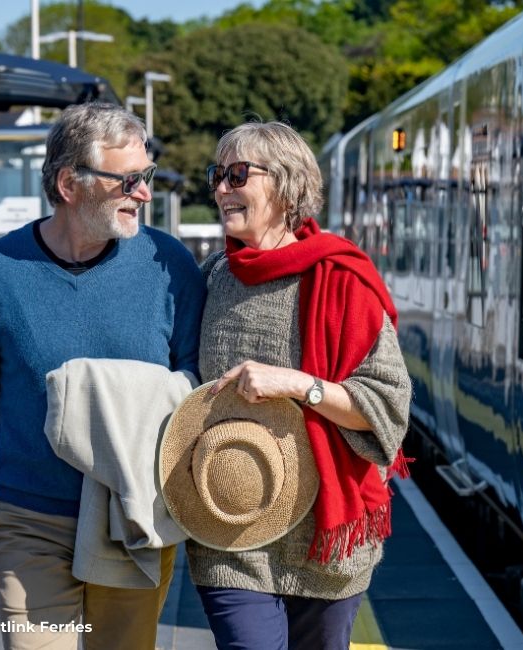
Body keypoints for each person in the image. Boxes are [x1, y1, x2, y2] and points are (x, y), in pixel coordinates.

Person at [0, 101, 205, 649]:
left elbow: (197, 394)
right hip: (31, 522)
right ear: (69, 183)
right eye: (129, 180)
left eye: (147, 176)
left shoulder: (170, 266)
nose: (144, 193)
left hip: (136, 518)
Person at [192, 121, 412, 649]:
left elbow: (386, 405)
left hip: (325, 538)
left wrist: (297, 384)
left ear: (286, 185)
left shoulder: (343, 280)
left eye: (238, 174)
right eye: (217, 175)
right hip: (229, 531)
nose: (222, 188)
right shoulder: (210, 278)